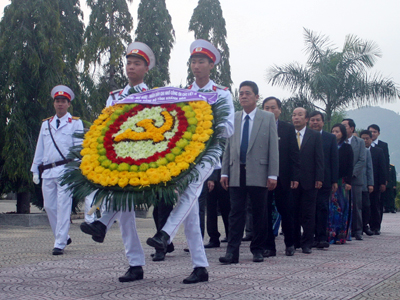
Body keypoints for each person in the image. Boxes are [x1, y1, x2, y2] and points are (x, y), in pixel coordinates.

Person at [146, 39, 235, 284]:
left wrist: (204, 126)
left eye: (201, 62)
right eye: (193, 61)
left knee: (192, 189)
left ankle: (165, 234)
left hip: (209, 155)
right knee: (193, 212)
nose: (196, 66)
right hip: (185, 155)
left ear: (211, 65)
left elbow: (228, 129)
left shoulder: (222, 93)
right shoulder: (183, 93)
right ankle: (200, 267)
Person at [80, 42, 155, 282]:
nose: (131, 68)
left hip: (138, 159)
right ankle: (135, 264)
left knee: (123, 207)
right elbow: (105, 126)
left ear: (146, 68)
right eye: (128, 63)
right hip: (115, 158)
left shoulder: (152, 96)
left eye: (136, 64)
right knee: (125, 215)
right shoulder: (114, 97)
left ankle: (101, 224)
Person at [218, 81, 279, 264]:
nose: (243, 96)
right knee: (235, 213)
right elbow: (228, 147)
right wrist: (224, 172)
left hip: (259, 172)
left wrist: (272, 174)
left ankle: (258, 249)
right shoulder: (234, 117)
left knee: (259, 213)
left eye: (247, 93)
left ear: (256, 97)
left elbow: (273, 148)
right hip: (237, 171)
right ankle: (232, 252)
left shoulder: (266, 118)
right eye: (241, 93)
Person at [31, 85, 84, 255]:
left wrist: (77, 169)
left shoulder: (75, 123)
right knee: (49, 206)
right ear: (54, 103)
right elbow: (40, 147)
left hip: (66, 170)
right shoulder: (46, 124)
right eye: (57, 101)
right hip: (48, 171)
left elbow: (79, 148)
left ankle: (59, 242)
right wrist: (35, 170)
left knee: (63, 206)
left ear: (69, 104)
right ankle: (62, 235)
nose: (60, 104)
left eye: (63, 101)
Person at [263, 97, 300, 257]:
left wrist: (295, 176)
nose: (270, 111)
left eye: (273, 108)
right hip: (263, 177)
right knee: (264, 212)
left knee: (286, 210)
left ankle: (290, 243)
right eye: (266, 108)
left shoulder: (287, 128)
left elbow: (294, 154)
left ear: (279, 110)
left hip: (283, 177)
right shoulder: (258, 126)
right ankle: (269, 246)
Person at [292, 107, 324, 254]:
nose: (296, 117)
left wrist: (319, 178)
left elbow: (319, 158)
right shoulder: (287, 134)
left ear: (306, 119)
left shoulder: (315, 135)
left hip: (309, 180)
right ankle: (294, 241)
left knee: (308, 213)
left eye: (300, 115)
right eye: (294, 115)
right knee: (292, 212)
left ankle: (307, 243)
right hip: (291, 180)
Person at [309, 111, 339, 249]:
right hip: (307, 179)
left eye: (318, 120)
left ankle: (321, 237)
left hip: (325, 179)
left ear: (323, 122)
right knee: (309, 209)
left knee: (322, 207)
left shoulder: (330, 138)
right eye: (313, 120)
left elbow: (334, 159)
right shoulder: (305, 136)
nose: (315, 122)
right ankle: (309, 236)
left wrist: (334, 180)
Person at [328, 124, 353, 244]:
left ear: (342, 133)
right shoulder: (328, 146)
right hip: (331, 180)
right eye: (333, 131)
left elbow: (350, 166)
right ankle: (331, 234)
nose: (334, 133)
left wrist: (348, 182)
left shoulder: (347, 148)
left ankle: (341, 235)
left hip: (342, 182)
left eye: (337, 131)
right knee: (331, 209)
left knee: (342, 208)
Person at [342, 119, 366, 241]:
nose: (342, 128)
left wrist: (350, 174)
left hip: (355, 179)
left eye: (345, 126)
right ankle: (345, 230)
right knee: (342, 205)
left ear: (352, 128)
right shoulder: (337, 141)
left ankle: (357, 230)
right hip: (341, 180)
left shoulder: (360, 142)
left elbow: (362, 160)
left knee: (356, 205)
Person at [360, 130, 387, 235]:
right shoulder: (358, 150)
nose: (365, 140)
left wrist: (382, 182)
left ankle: (375, 226)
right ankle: (363, 224)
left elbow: (382, 167)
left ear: (371, 139)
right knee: (363, 205)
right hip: (362, 183)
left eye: (367, 138)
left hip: (374, 182)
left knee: (374, 205)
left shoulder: (378, 151)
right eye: (363, 138)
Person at [204, 168, 230, 248]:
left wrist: (212, 178)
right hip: (217, 174)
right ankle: (214, 237)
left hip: (222, 174)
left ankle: (229, 236)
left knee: (225, 207)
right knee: (212, 208)